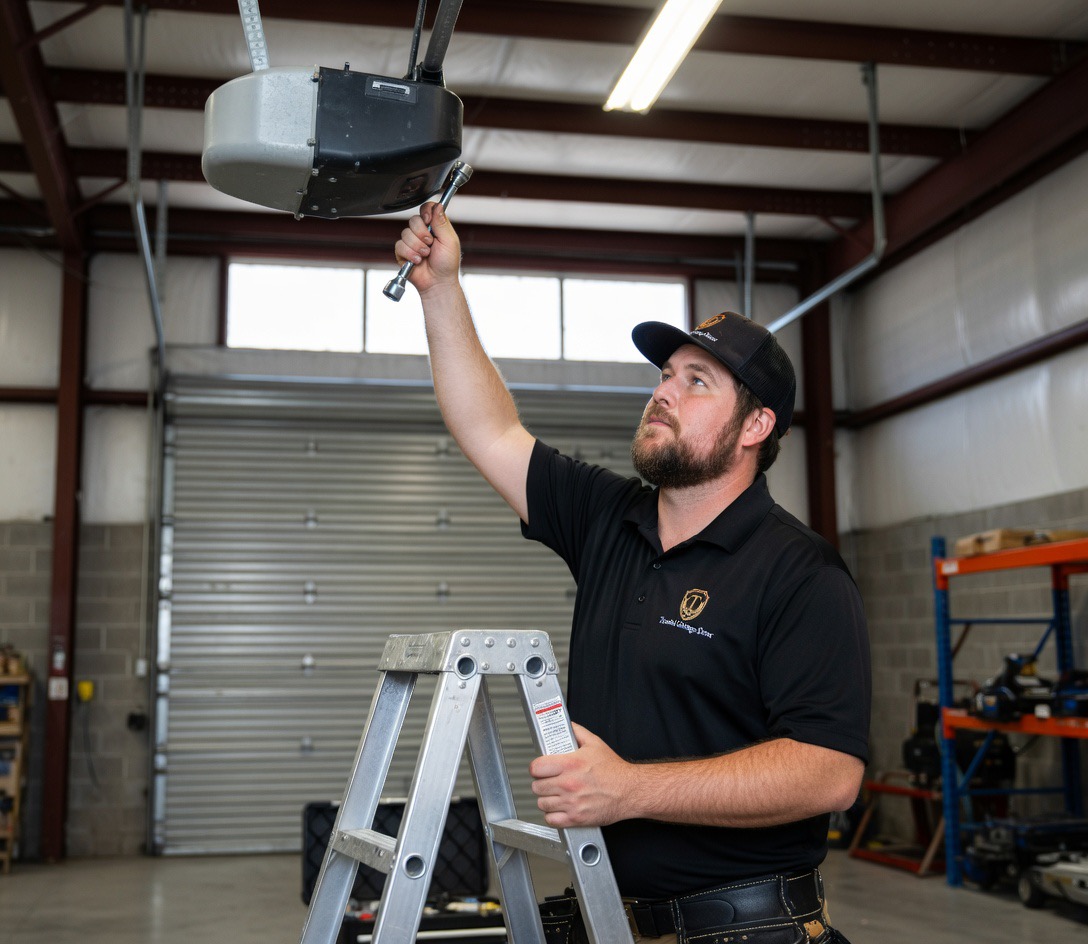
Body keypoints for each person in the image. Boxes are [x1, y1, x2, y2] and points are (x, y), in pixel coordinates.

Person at [395, 201, 871, 944]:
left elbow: (829, 772)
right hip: (613, 922)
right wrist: (442, 289)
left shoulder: (800, 572)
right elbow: (490, 429)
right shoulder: (609, 519)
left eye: (697, 382)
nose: (663, 391)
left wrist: (628, 790)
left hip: (748, 933)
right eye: (666, 374)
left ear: (756, 427)